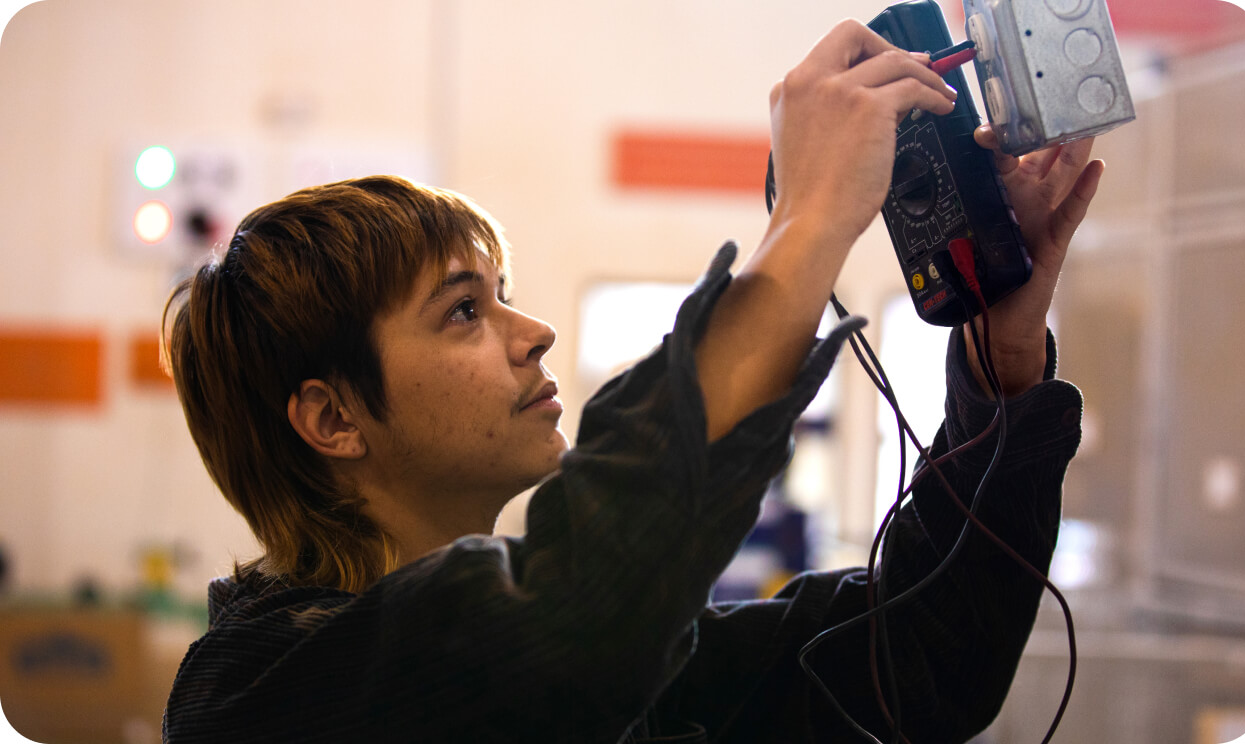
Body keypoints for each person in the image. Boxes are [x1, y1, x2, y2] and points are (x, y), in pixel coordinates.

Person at [160, 19, 1102, 744]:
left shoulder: (613, 651)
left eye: (505, 297)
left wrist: (999, 366)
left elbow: (926, 662)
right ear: (331, 417)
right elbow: (568, 626)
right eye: (462, 312)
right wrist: (810, 220)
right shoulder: (260, 694)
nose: (533, 334)